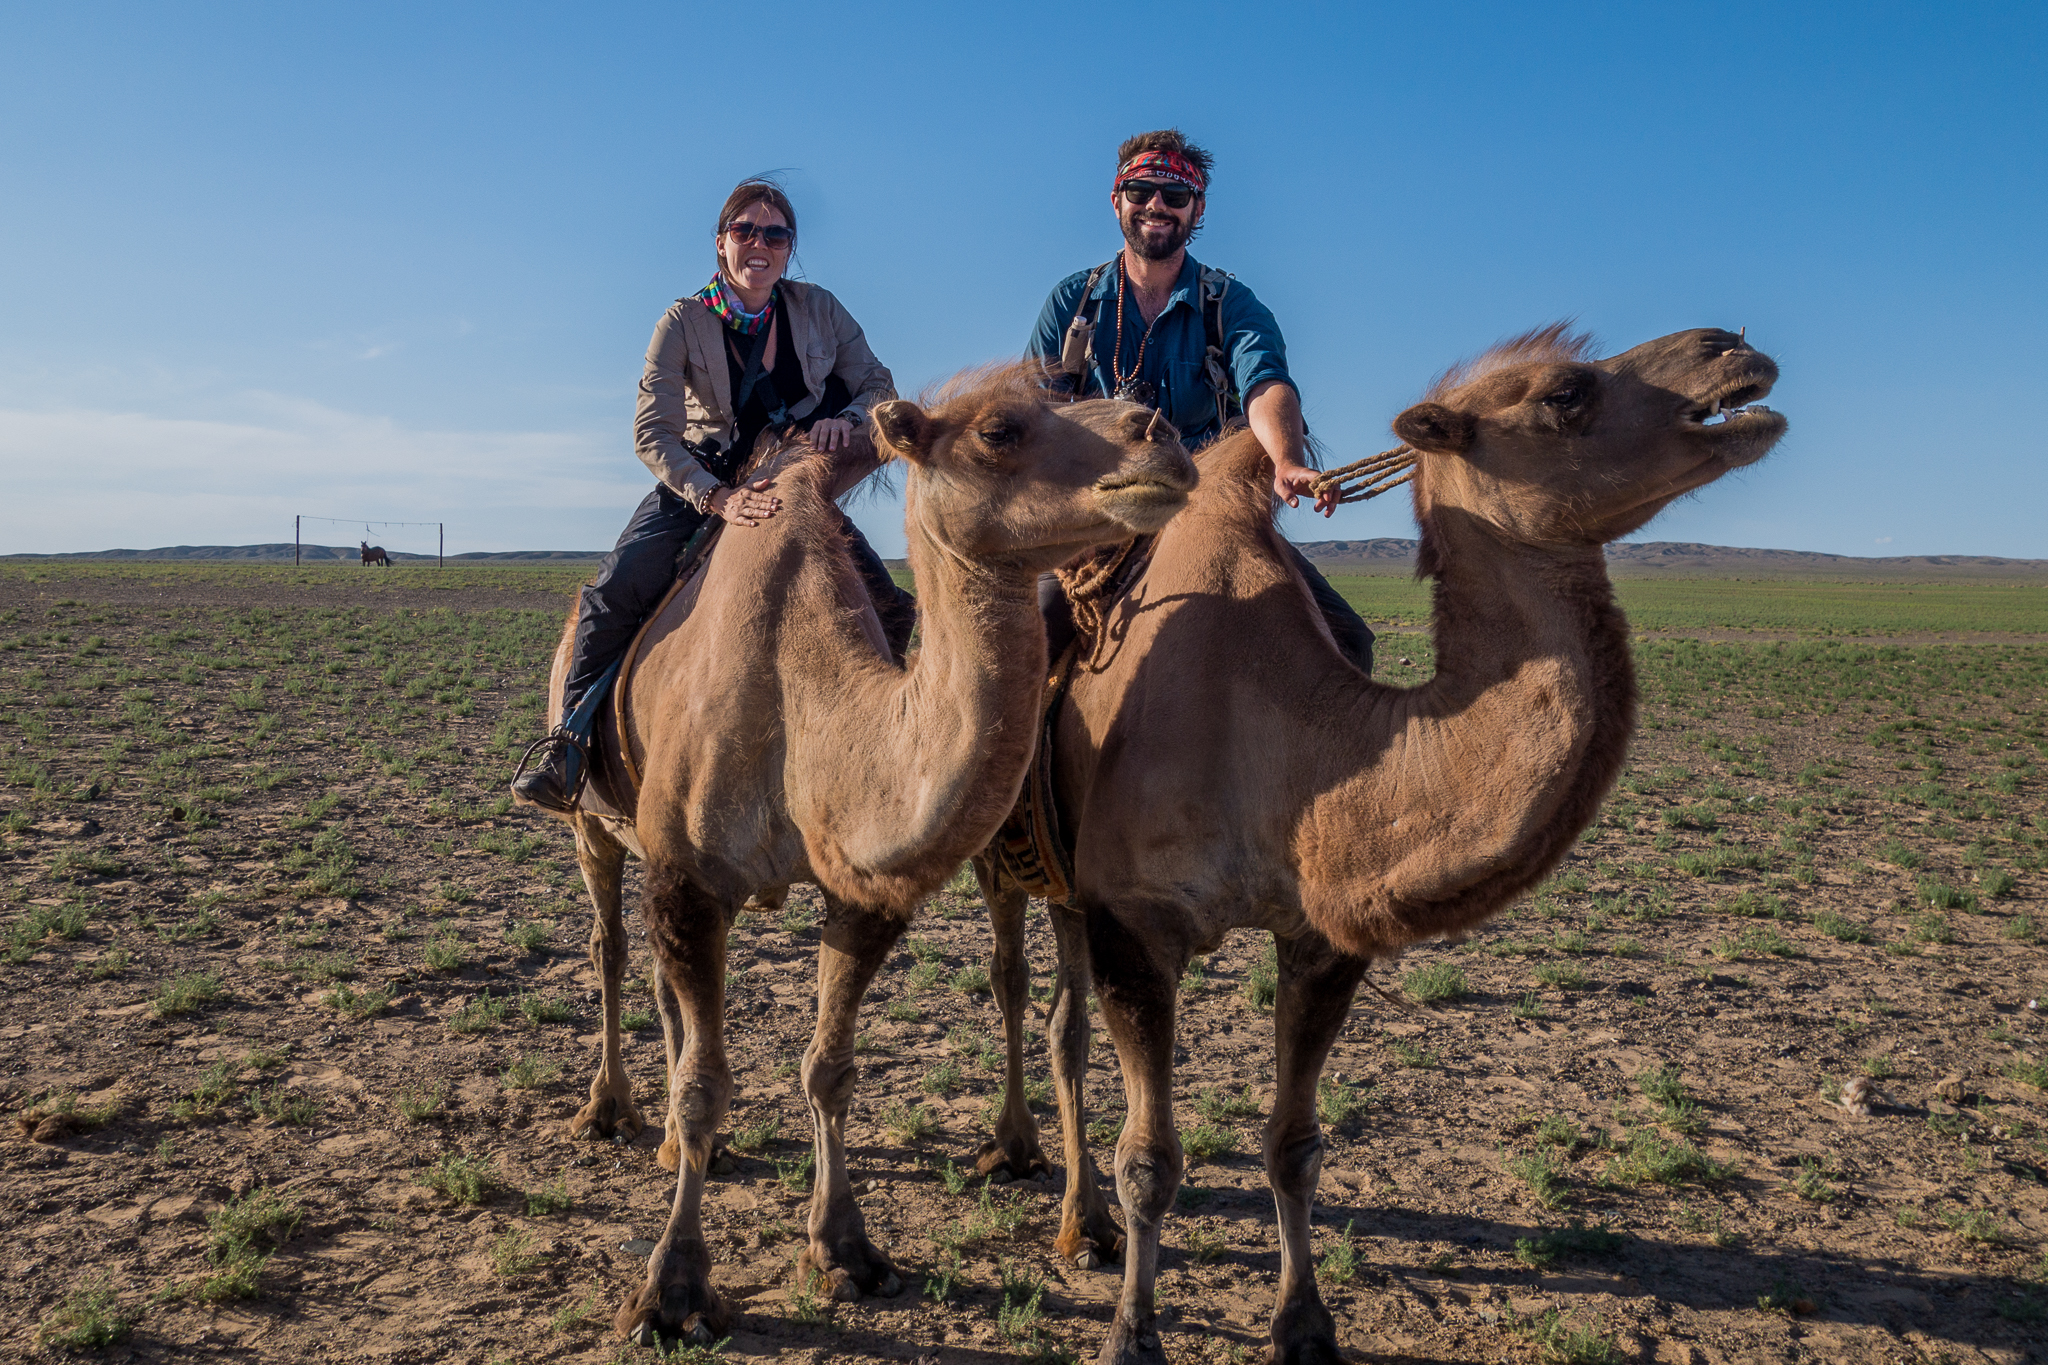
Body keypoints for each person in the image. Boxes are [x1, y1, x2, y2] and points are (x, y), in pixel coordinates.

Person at [512, 178, 915, 813]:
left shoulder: (819, 309)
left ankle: (880, 747)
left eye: (775, 234)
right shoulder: (681, 322)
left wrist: (848, 418)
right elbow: (652, 432)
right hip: (701, 481)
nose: (760, 244)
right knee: (613, 592)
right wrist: (716, 498)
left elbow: (878, 384)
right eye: (745, 230)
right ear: (721, 242)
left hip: (786, 482)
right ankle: (567, 746)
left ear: (790, 248)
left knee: (888, 602)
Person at [1025, 129, 1373, 671]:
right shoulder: (1073, 303)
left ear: (1197, 209)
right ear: (1117, 200)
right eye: (1140, 191)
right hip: (1093, 515)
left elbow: (1265, 382)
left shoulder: (1231, 304)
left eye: (1175, 195)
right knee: (1027, 644)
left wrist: (1286, 460)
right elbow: (1035, 414)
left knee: (1347, 641)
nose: (1156, 205)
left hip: (1203, 509)